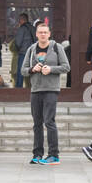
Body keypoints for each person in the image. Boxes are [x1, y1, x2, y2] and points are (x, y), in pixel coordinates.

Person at [22, 21, 69, 164]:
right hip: (35, 90)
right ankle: (37, 154)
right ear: (36, 34)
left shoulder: (56, 47)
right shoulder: (31, 49)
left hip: (51, 90)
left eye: (45, 32)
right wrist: (32, 69)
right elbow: (23, 70)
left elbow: (66, 67)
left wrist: (51, 69)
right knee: (37, 123)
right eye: (40, 32)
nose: (43, 34)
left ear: (49, 34)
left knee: (49, 121)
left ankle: (54, 155)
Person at [11, 13, 34, 87]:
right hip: (33, 53)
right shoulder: (33, 28)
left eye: (19, 20)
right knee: (33, 71)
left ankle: (19, 88)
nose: (19, 21)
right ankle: (32, 87)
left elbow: (18, 42)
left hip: (23, 53)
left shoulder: (22, 29)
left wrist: (17, 49)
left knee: (20, 71)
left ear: (22, 19)